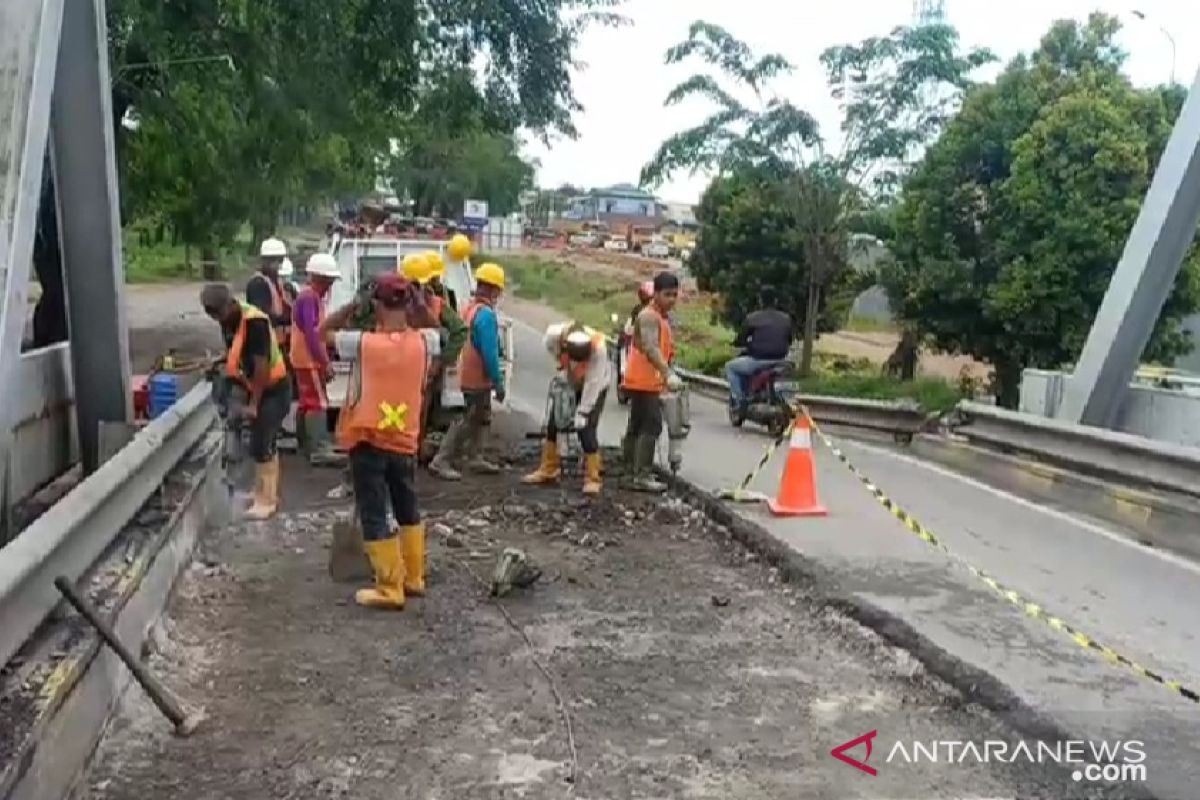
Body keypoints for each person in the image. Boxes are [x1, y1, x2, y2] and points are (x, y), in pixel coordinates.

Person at [320, 274, 441, 610]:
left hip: (369, 438)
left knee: (374, 511)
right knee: (407, 506)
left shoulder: (363, 343)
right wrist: (420, 307)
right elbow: (439, 330)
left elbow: (322, 333)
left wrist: (351, 305)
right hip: (404, 439)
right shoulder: (424, 342)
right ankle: (413, 578)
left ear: (375, 305)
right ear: (408, 305)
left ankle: (390, 588)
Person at [201, 283, 292, 519]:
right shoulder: (228, 320)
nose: (218, 320)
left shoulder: (255, 322)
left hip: (273, 388)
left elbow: (261, 367)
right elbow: (237, 350)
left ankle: (268, 500)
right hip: (256, 385)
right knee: (258, 442)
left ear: (230, 304)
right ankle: (260, 490)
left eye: (219, 314)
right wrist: (221, 361)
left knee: (263, 441)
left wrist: (253, 404)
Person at [429, 262, 506, 481]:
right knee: (465, 420)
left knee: (482, 417)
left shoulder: (468, 308)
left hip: (466, 373)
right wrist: (498, 382)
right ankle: (441, 460)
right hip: (476, 378)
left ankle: (475, 456)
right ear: (494, 289)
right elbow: (489, 353)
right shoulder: (486, 316)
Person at [523, 322, 610, 495]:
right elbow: (554, 353)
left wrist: (583, 411)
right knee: (554, 423)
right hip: (569, 380)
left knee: (586, 428)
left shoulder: (598, 348)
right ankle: (549, 468)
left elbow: (593, 383)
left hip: (595, 384)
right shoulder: (553, 337)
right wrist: (565, 372)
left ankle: (593, 477)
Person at [620, 271, 682, 493]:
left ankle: (629, 471)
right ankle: (641, 474)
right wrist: (667, 373)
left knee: (636, 425)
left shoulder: (661, 318)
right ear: (655, 294)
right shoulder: (648, 317)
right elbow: (650, 347)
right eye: (667, 295)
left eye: (675, 295)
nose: (671, 300)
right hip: (645, 381)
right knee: (651, 425)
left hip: (644, 380)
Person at [290, 253, 345, 467]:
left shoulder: (310, 297)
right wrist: (324, 362)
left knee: (307, 402)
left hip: (304, 357)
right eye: (328, 280)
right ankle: (319, 448)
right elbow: (313, 335)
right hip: (308, 359)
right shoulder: (309, 297)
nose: (329, 285)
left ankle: (306, 444)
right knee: (318, 402)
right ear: (318, 277)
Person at [415, 250, 468, 455]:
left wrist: (442, 361)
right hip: (417, 365)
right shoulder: (396, 302)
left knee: (423, 410)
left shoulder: (439, 301)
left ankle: (416, 449)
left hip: (426, 366)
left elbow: (457, 330)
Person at [724, 306, 794, 409]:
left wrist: (738, 343)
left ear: (760, 301)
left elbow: (742, 338)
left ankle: (740, 400)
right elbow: (790, 339)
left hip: (759, 360)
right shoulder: (786, 318)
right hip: (781, 360)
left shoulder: (753, 318)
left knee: (730, 367)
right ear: (775, 302)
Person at [247, 237, 293, 354]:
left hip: (278, 343)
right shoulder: (258, 284)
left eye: (279, 260)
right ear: (263, 261)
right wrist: (288, 318)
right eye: (273, 260)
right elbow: (262, 315)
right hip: (264, 344)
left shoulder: (277, 282)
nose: (276, 265)